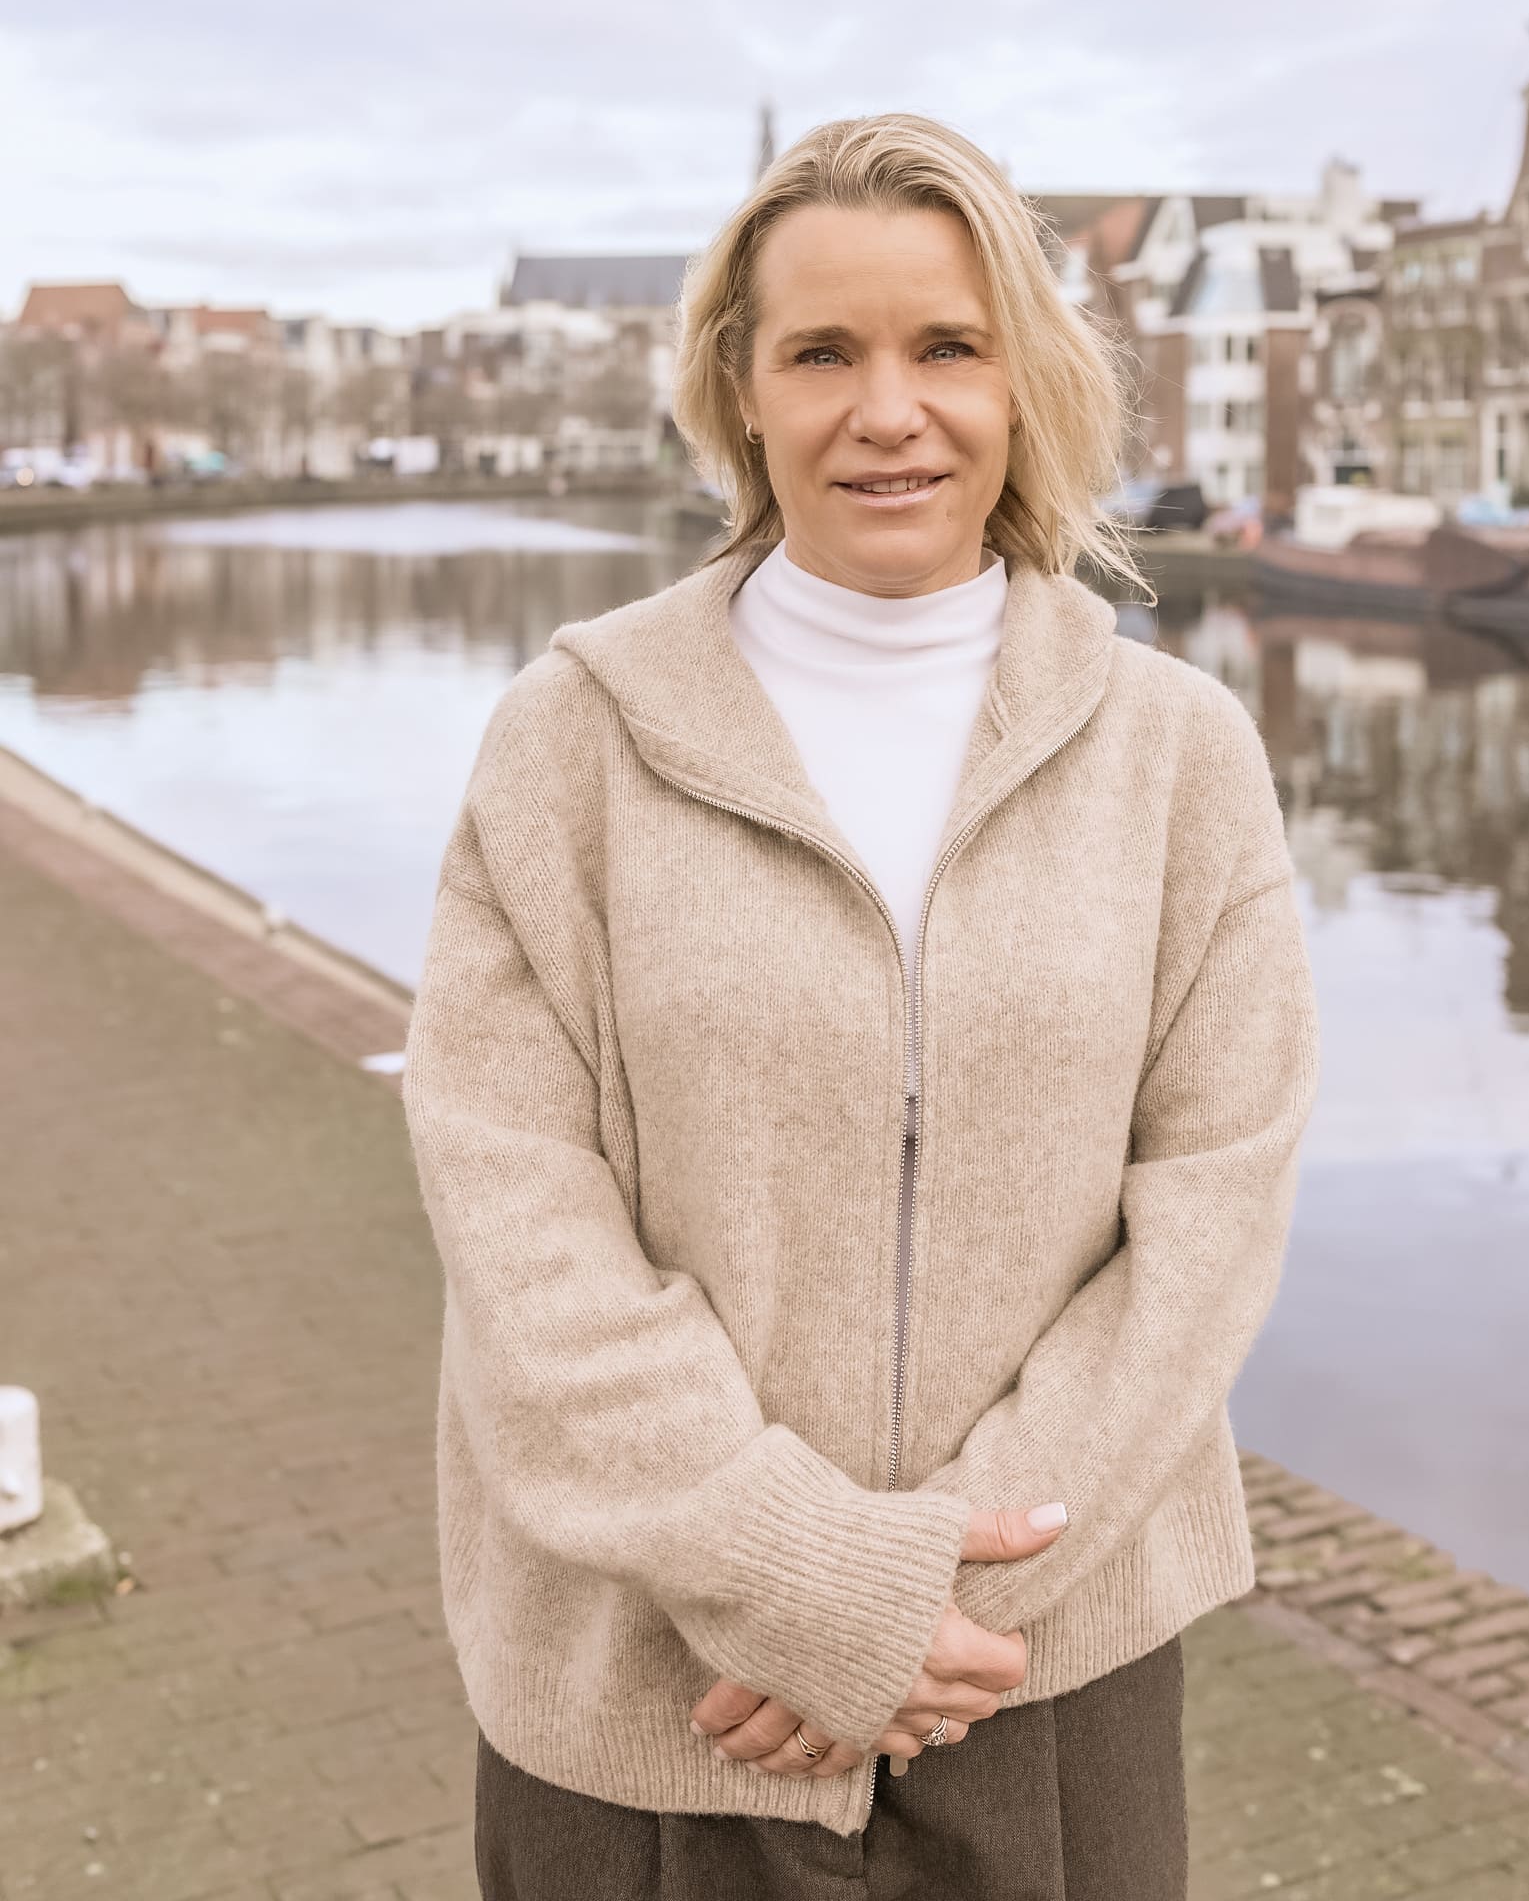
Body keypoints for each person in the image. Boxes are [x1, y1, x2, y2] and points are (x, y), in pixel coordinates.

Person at [402, 113, 1320, 1900]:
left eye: (947, 348)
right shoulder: (570, 742)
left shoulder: (1179, 757)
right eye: (823, 353)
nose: (888, 412)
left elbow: (1215, 1208)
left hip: (1041, 1682)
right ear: (740, 392)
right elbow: (515, 1207)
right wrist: (787, 1575)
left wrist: (923, 1600)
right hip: (655, 1694)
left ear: (1023, 380)